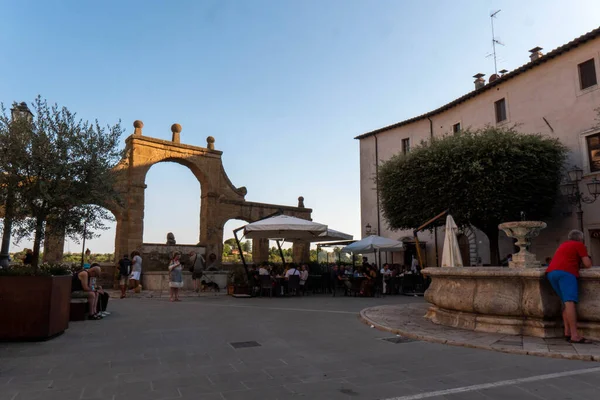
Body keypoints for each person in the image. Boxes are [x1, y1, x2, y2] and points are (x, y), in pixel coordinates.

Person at [546, 230, 593, 344]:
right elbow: (588, 264)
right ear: (580, 239)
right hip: (566, 273)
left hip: (551, 273)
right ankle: (574, 335)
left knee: (565, 303)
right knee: (570, 303)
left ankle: (567, 332)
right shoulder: (579, 245)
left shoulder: (563, 245)